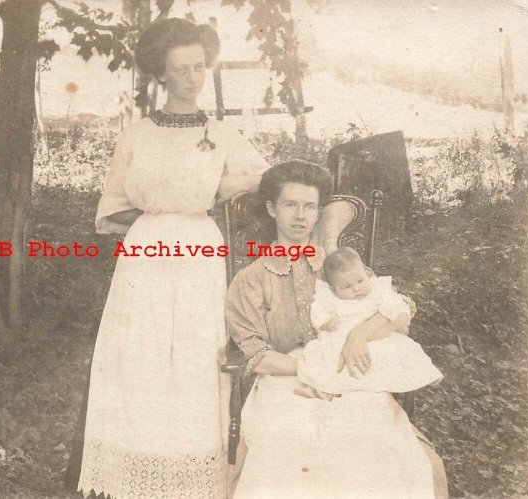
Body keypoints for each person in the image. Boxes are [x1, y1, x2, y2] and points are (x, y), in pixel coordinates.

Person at [77, 18, 270, 499]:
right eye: (180, 69)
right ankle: (134, 473)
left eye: (198, 67)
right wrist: (155, 225)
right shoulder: (137, 134)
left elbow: (268, 180)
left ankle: (190, 475)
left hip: (200, 252)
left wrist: (219, 189)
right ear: (161, 74)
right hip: (145, 254)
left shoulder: (221, 133)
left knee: (193, 354)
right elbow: (112, 207)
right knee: (140, 353)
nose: (191, 78)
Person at [225, 161, 449, 498]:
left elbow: (398, 312)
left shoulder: (335, 266)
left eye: (309, 206)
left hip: (352, 374)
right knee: (288, 444)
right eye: (289, 204)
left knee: (372, 440)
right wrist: (314, 373)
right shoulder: (251, 280)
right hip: (288, 379)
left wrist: (358, 335)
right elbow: (257, 356)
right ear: (271, 208)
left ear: (318, 211)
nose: (300, 216)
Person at [297, 246, 444, 395]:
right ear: (333, 288)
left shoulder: (377, 290)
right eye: (347, 286)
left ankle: (423, 373)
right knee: (324, 357)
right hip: (339, 339)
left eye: (360, 281)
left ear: (366, 274)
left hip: (376, 336)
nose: (356, 288)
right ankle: (321, 389)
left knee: (402, 348)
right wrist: (325, 323)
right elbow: (318, 311)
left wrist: (400, 317)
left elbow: (394, 303)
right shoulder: (329, 298)